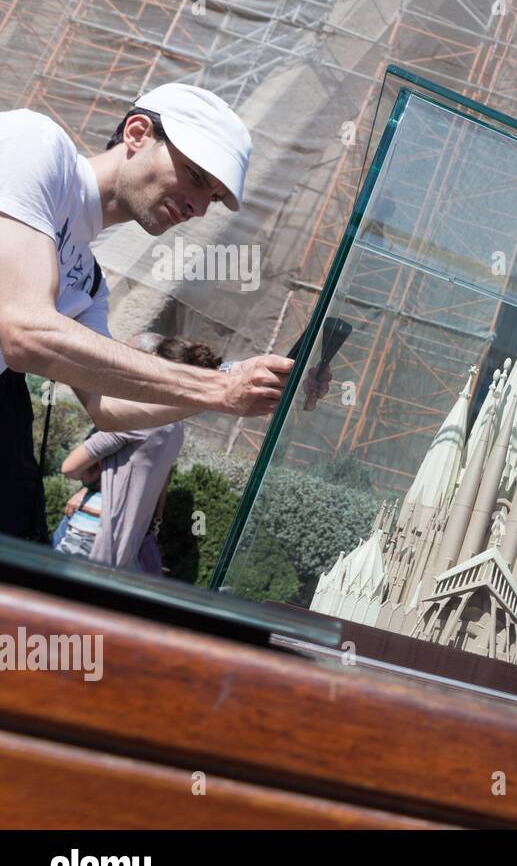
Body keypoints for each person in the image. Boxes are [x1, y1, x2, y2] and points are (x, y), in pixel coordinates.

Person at [0, 84, 325, 542]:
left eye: (210, 198)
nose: (196, 208)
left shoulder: (90, 285)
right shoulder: (35, 145)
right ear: (136, 132)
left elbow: (108, 405)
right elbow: (25, 332)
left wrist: (244, 380)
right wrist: (219, 386)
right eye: (195, 176)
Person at [60, 336, 220, 572]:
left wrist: (87, 479)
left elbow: (69, 467)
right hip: (124, 540)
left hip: (91, 532)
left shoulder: (138, 419)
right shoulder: (176, 426)